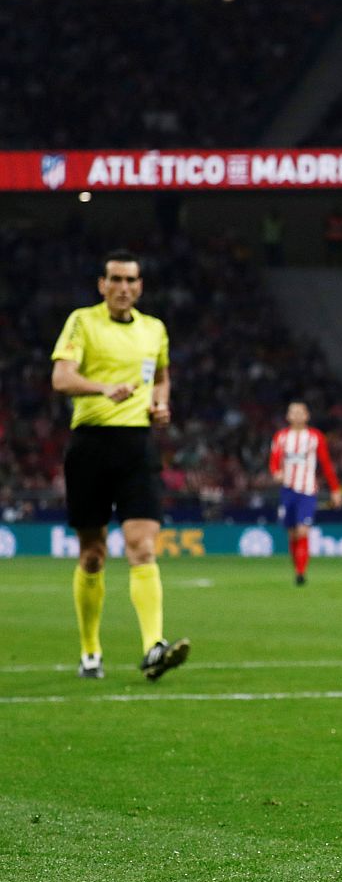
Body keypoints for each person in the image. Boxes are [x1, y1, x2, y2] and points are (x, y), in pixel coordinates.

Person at [50, 249, 190, 681]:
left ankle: (153, 647)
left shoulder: (154, 329)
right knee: (93, 555)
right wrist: (103, 388)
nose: (124, 287)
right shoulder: (82, 322)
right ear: (102, 284)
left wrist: (161, 403)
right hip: (91, 443)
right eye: (116, 279)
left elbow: (161, 377)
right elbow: (61, 377)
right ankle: (90, 651)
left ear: (140, 286)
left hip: (137, 445)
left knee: (143, 547)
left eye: (131, 280)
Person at [269, 401, 342, 585]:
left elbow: (326, 464)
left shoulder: (315, 437)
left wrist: (335, 490)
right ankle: (297, 567)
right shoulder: (281, 437)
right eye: (293, 412)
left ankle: (301, 572)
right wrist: (276, 472)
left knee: (303, 530)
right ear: (288, 416)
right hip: (287, 490)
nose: (297, 415)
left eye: (300, 412)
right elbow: (274, 460)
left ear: (307, 415)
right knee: (292, 533)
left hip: (307, 491)